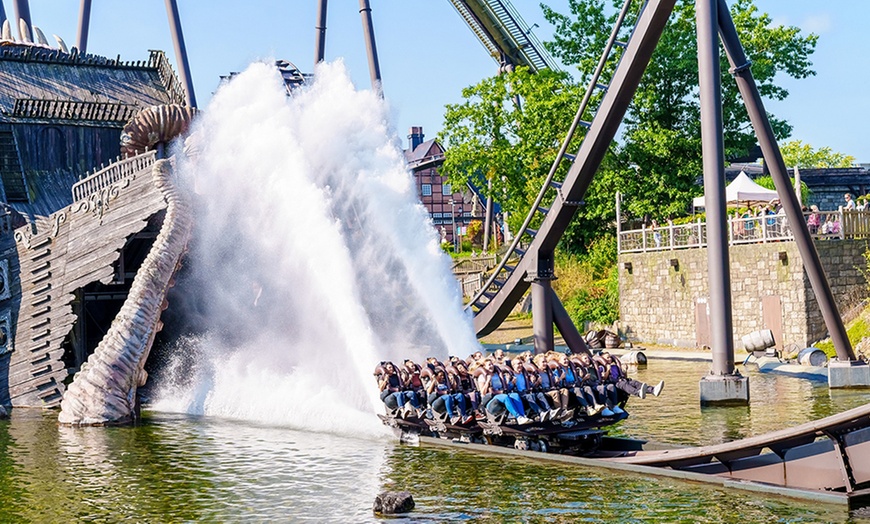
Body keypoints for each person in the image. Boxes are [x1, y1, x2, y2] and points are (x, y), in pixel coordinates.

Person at [477, 359, 531, 424]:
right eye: (489, 365)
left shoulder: (498, 375)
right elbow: (483, 393)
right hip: (490, 401)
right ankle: (518, 417)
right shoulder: (482, 377)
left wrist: (510, 383)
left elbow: (506, 389)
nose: (491, 366)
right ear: (484, 367)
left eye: (492, 364)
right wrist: (488, 381)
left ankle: (523, 416)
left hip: (501, 395)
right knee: (505, 397)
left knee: (515, 395)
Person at [599, 352, 664, 399]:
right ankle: (637, 393)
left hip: (622, 380)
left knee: (634, 383)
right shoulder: (602, 368)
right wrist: (607, 370)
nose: (610, 359)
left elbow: (623, 375)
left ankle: (653, 390)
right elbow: (603, 378)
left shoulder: (615, 366)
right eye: (607, 358)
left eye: (610, 357)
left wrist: (624, 370)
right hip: (614, 383)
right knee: (624, 384)